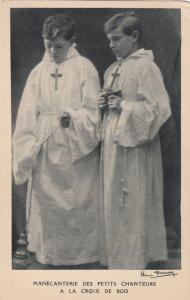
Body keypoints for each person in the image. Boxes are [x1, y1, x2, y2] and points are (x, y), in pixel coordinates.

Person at [12, 14, 101, 266]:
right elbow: (27, 113)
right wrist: (27, 145)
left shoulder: (85, 68)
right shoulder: (38, 72)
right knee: (46, 201)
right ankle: (48, 252)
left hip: (75, 146)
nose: (52, 51)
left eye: (59, 46)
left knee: (77, 200)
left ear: (72, 42)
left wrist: (72, 117)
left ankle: (80, 256)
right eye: (47, 45)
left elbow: (94, 112)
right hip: (45, 144)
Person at [98, 12, 172, 269]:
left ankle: (133, 257)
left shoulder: (146, 67)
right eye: (109, 39)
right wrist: (105, 106)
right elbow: (112, 104)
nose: (111, 45)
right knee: (113, 200)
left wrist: (123, 106)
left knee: (132, 199)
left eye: (116, 39)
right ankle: (117, 255)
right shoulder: (113, 69)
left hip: (136, 148)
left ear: (135, 36)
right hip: (113, 144)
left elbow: (158, 110)